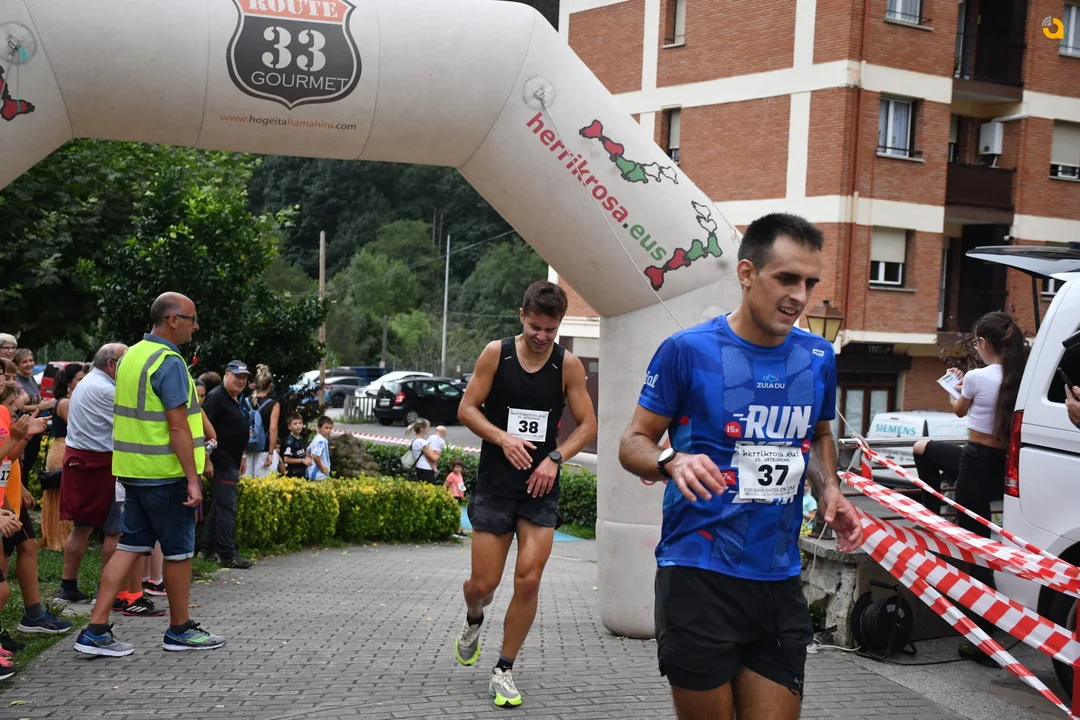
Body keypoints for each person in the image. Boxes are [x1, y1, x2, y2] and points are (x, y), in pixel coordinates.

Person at [617, 213, 864, 720]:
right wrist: (671, 459)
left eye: (810, 283)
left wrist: (830, 489)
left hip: (778, 577)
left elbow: (818, 435)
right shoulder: (687, 351)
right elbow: (633, 442)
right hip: (698, 573)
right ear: (747, 273)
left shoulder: (817, 356)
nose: (799, 296)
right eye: (787, 278)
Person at [453, 280, 597, 709]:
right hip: (497, 486)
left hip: (539, 489)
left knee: (529, 580)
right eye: (535, 327)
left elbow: (588, 425)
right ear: (522, 316)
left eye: (550, 329)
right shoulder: (496, 354)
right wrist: (502, 437)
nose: (541, 336)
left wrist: (555, 457)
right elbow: (466, 409)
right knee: (483, 583)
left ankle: (503, 669)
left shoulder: (567, 365)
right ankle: (474, 617)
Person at [73, 291, 225, 656]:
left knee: (129, 547)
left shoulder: (131, 356)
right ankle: (179, 630)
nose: (195, 326)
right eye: (192, 318)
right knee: (178, 552)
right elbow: (177, 426)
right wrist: (193, 479)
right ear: (173, 320)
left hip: (132, 471)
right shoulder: (169, 362)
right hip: (166, 473)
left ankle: (95, 630)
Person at [944, 311, 1028, 665]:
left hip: (976, 462)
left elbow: (959, 411)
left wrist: (955, 387)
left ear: (981, 343)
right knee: (983, 547)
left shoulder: (976, 377)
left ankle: (983, 635)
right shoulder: (1021, 375)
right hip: (1002, 465)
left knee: (974, 552)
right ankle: (987, 630)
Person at [0, 365, 73, 637]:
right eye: (4, 375)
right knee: (3, 575)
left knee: (28, 545)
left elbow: (6, 458)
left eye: (7, 375)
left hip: (8, 497)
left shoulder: (3, 412)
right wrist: (19, 436)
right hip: (5, 500)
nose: (7, 380)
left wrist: (24, 436)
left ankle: (33, 614)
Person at [201, 360, 254, 569]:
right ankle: (227, 555)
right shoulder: (216, 397)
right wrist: (206, 460)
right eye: (237, 377)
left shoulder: (237, 399)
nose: (241, 381)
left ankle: (206, 550)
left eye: (244, 378)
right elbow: (201, 428)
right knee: (227, 508)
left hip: (232, 460)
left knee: (220, 506)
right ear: (226, 375)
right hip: (220, 461)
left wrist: (242, 456)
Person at [41, 363, 86, 551]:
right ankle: (60, 538)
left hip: (63, 446)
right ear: (69, 382)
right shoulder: (66, 402)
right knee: (62, 495)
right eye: (79, 379)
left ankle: (60, 536)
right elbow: (75, 427)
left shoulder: (68, 400)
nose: (83, 382)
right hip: (63, 448)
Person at [244, 364, 280, 478]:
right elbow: (273, 429)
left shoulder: (245, 401)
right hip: (264, 449)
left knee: (246, 483)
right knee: (263, 484)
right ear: (270, 386)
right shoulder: (273, 404)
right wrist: (271, 452)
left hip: (246, 448)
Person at [406, 419, 441, 484]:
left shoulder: (414, 440)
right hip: (426, 470)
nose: (429, 429)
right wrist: (438, 452)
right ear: (422, 429)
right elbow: (434, 458)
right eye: (428, 427)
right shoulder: (422, 442)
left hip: (419, 467)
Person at [280, 413, 311, 478]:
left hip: (302, 472)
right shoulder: (289, 441)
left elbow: (304, 451)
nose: (298, 425)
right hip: (293, 474)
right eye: (295, 423)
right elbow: (286, 459)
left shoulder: (301, 438)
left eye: (300, 423)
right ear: (289, 426)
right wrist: (302, 460)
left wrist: (308, 457)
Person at [306, 416, 333, 480]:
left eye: (330, 428)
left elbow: (308, 450)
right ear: (319, 428)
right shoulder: (321, 441)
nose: (329, 430)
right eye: (326, 428)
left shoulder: (316, 437)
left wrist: (310, 462)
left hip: (312, 472)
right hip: (319, 475)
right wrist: (322, 469)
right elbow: (315, 456)